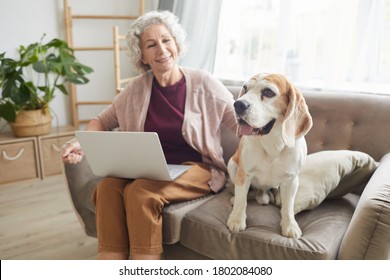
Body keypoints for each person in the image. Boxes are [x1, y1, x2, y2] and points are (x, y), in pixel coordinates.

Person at [62, 10, 237, 260]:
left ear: (176, 43)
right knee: (108, 187)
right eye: (151, 44)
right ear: (141, 55)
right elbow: (102, 120)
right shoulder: (136, 89)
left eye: (166, 40)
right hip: (150, 170)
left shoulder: (204, 83)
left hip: (198, 168)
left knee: (141, 192)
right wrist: (80, 142)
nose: (162, 49)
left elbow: (241, 123)